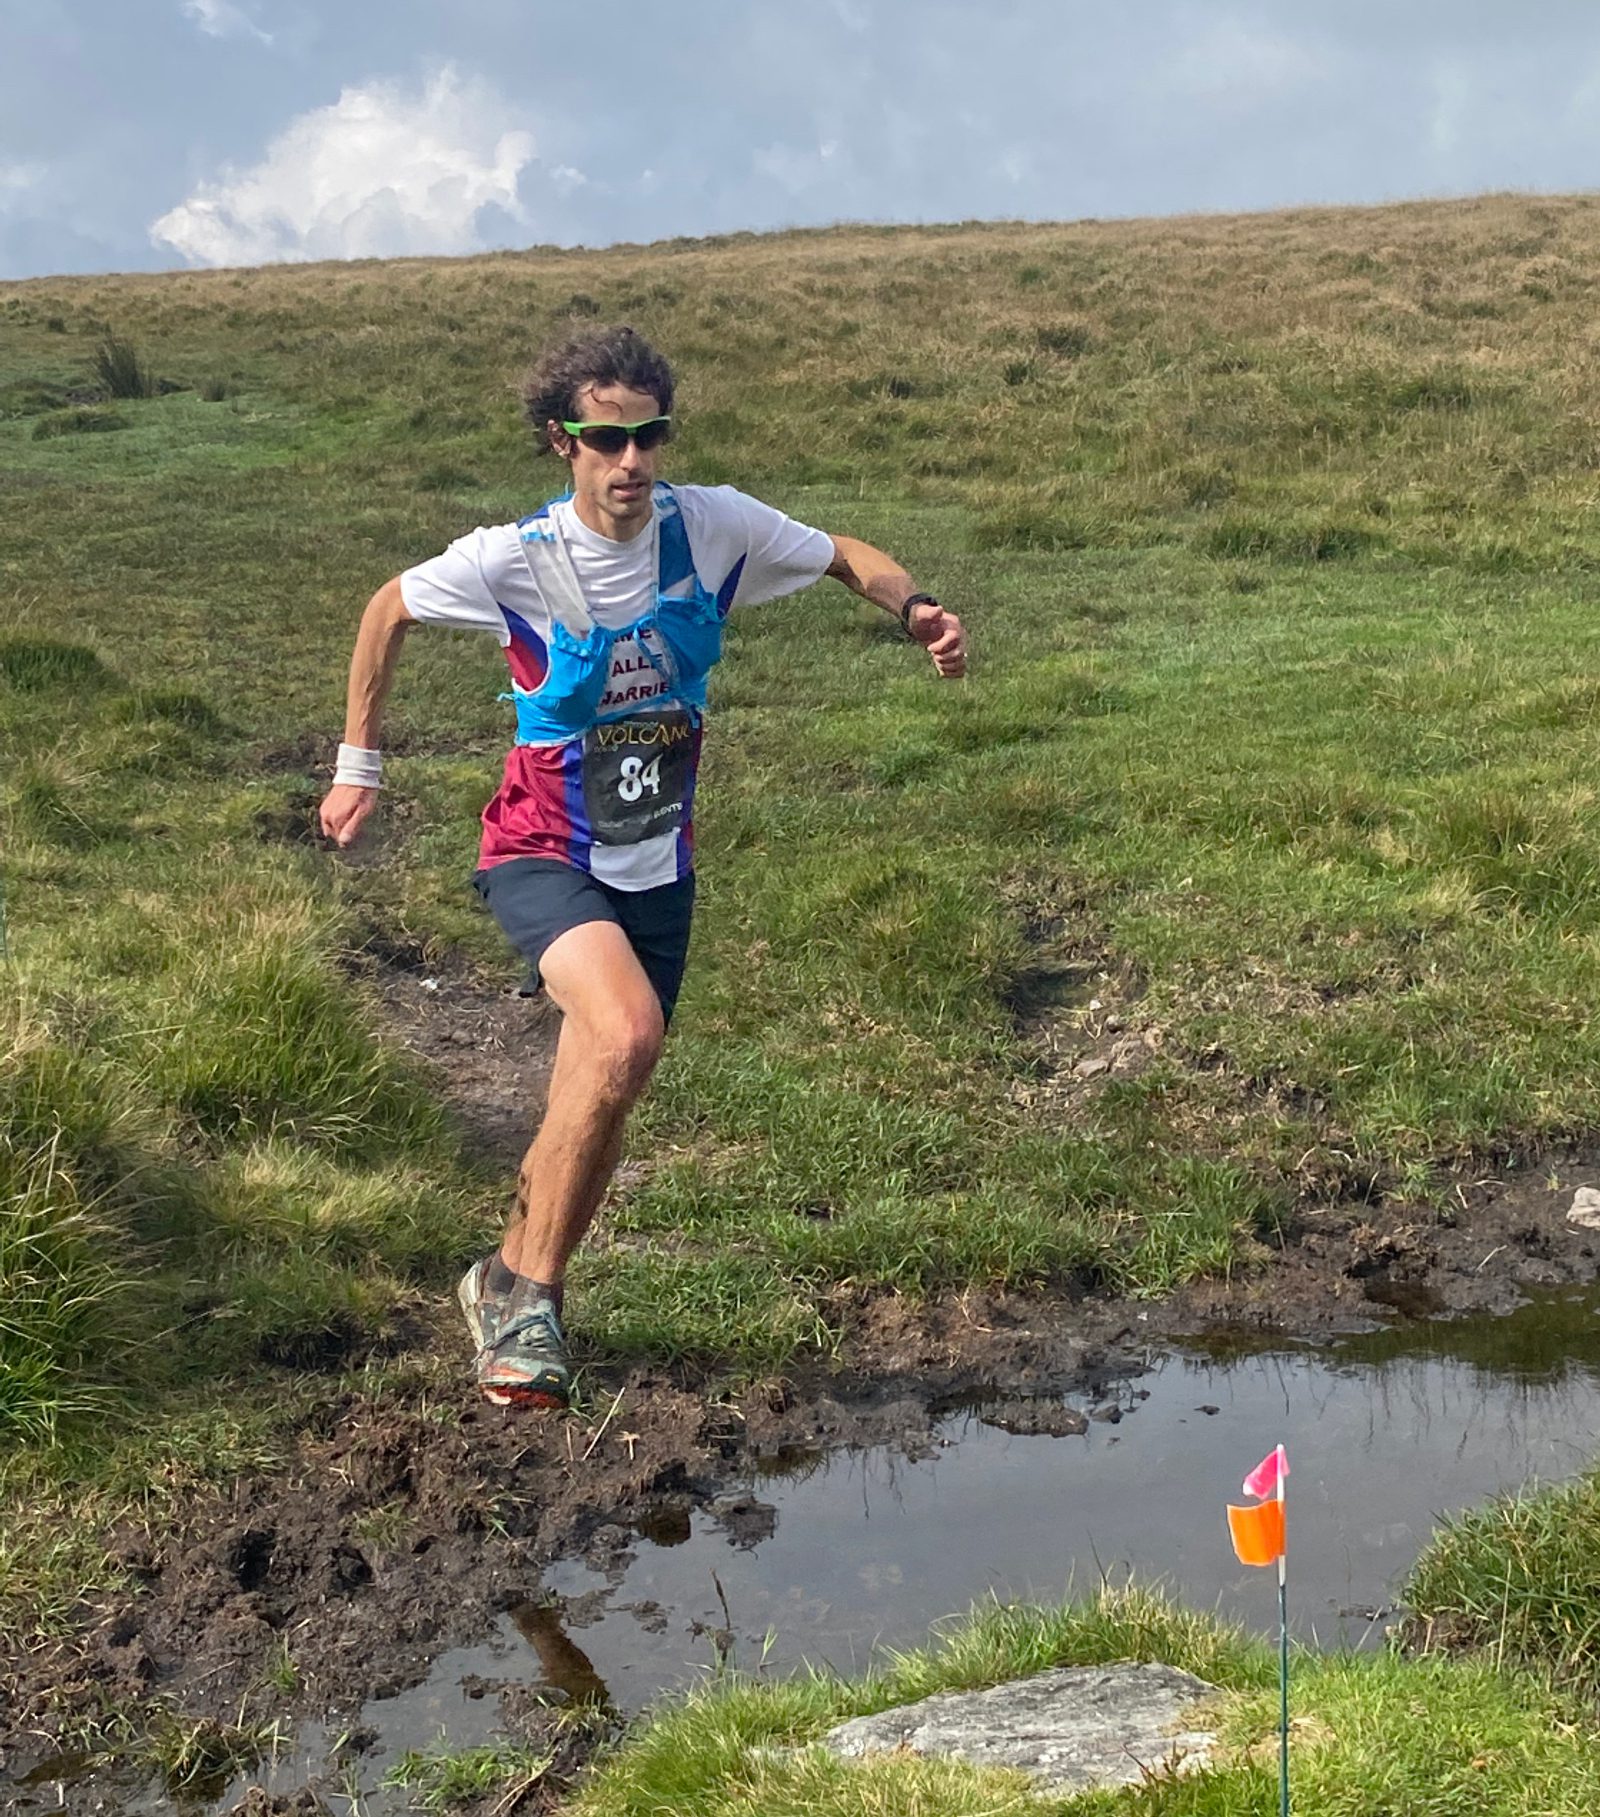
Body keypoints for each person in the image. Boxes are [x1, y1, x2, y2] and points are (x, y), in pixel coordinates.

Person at [319, 325, 966, 1410]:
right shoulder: (512, 558)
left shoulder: (709, 527)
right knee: (624, 1032)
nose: (631, 462)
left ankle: (511, 1287)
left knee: (607, 1080)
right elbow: (387, 609)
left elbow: (843, 551)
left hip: (657, 860)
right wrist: (358, 763)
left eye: (648, 436)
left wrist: (913, 610)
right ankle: (524, 1298)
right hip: (542, 848)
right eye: (606, 439)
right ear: (560, 443)